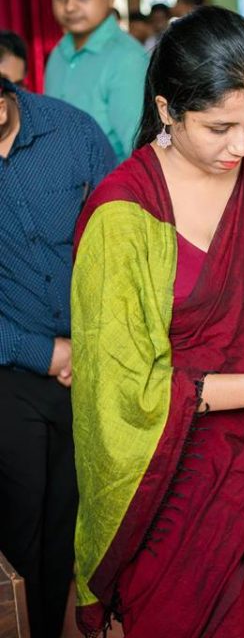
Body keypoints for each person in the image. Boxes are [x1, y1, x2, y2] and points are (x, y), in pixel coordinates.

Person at [70, 5, 244, 637]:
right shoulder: (124, 216)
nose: (242, 145)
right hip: (172, 482)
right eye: (220, 127)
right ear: (167, 111)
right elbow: (124, 390)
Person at [0, 76, 115, 638]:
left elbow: (122, 242)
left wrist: (93, 344)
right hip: (11, 368)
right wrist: (44, 353)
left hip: (92, 364)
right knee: (19, 521)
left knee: (69, 520)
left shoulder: (73, 133)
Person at [45, 0, 148, 162]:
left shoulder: (128, 60)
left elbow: (141, 157)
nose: (70, 6)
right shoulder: (58, 55)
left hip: (111, 185)